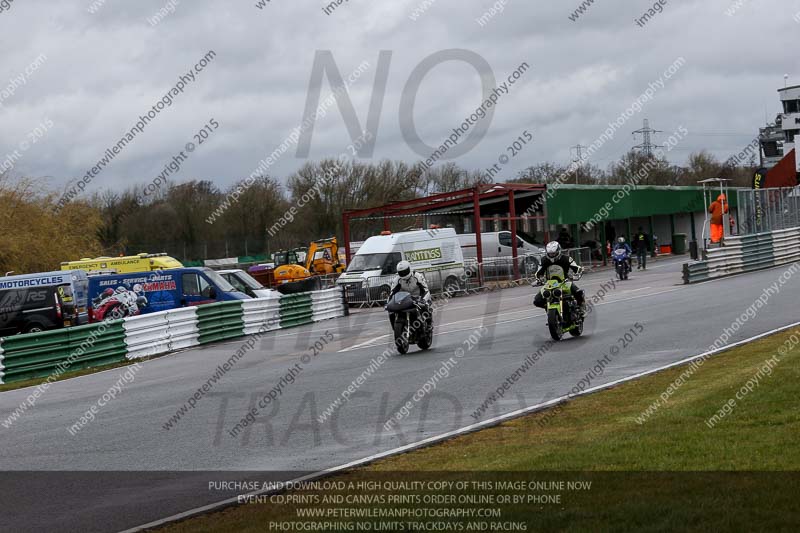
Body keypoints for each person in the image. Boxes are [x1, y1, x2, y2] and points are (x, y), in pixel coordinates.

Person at [533, 242, 586, 316]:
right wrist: (538, 279)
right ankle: (549, 310)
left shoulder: (566, 258)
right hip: (549, 284)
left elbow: (577, 267)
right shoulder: (543, 260)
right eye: (550, 254)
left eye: (553, 253)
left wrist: (577, 273)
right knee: (537, 301)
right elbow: (538, 272)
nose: (552, 255)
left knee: (578, 292)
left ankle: (581, 307)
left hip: (564, 282)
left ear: (558, 251)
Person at [389, 260, 432, 327]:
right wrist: (389, 303)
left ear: (409, 269)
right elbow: (392, 293)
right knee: (391, 312)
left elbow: (426, 291)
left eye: (405, 271)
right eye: (401, 272)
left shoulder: (417, 276)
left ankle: (429, 325)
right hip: (405, 300)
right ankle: (395, 327)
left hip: (418, 298)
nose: (403, 274)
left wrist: (423, 300)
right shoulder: (397, 280)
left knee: (425, 307)